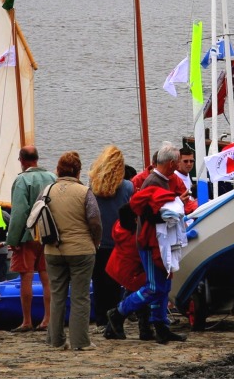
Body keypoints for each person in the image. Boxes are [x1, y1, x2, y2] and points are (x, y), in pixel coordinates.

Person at [107, 142, 187, 345]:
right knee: (153, 287)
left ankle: (161, 326)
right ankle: (118, 313)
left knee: (164, 286)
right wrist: (172, 214)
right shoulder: (154, 181)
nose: (179, 164)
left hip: (160, 240)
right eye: (178, 161)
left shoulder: (163, 179)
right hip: (150, 242)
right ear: (170, 164)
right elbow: (146, 213)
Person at [44, 151, 102, 352]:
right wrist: (96, 241)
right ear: (78, 171)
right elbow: (94, 221)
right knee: (80, 296)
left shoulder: (47, 190)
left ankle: (56, 340)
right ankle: (80, 341)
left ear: (58, 170)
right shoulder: (84, 192)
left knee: (57, 294)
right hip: (81, 250)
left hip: (52, 250)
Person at [6, 145, 56, 333]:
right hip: (48, 234)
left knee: (26, 277)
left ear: (22, 160)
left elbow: (19, 212)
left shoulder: (22, 180)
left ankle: (27, 320)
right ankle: (48, 318)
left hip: (28, 236)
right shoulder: (52, 177)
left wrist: (14, 239)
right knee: (47, 277)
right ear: (37, 158)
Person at [88, 145, 135, 330]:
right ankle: (115, 318)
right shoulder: (127, 187)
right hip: (119, 242)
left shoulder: (92, 187)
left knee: (99, 283)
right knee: (116, 283)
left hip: (98, 242)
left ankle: (100, 319)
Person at [105, 205, 150, 340]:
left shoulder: (121, 226)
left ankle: (112, 329)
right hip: (131, 271)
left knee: (134, 294)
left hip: (119, 266)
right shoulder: (136, 238)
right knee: (140, 295)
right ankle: (145, 328)